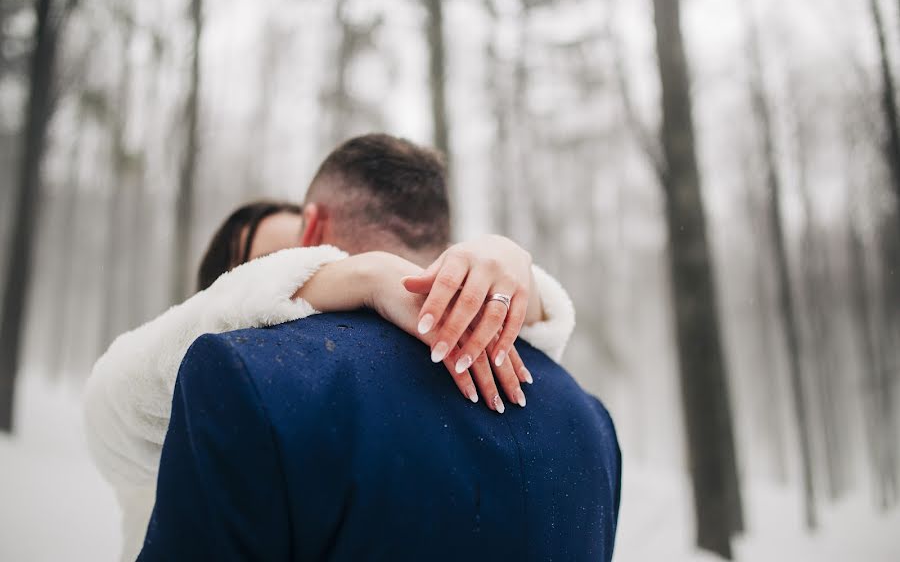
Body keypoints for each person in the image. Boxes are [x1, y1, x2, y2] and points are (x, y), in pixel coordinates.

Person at [84, 134, 582, 560]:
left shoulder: (300, 388)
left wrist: (516, 274)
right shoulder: (206, 379)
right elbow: (116, 403)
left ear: (316, 229)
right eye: (280, 270)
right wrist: (366, 271)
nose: (311, 286)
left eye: (311, 260)